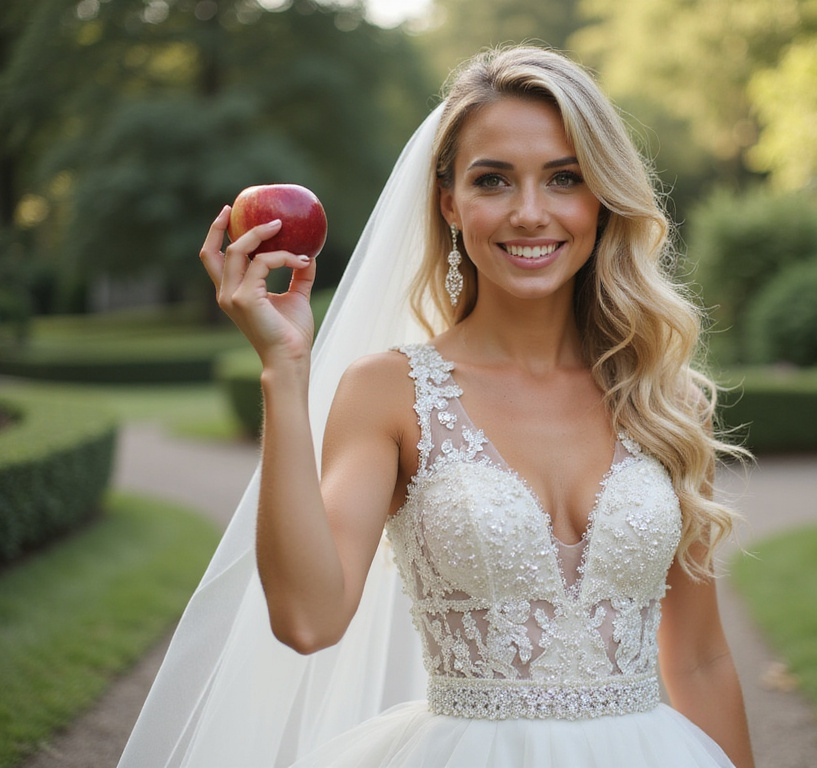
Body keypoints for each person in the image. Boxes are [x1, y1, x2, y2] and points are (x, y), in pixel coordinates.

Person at [119, 46, 754, 768]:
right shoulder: (389, 393)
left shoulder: (666, 402)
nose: (529, 212)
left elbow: (700, 660)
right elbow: (307, 619)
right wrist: (284, 371)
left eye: (564, 178)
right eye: (493, 181)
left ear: (602, 197)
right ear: (450, 203)